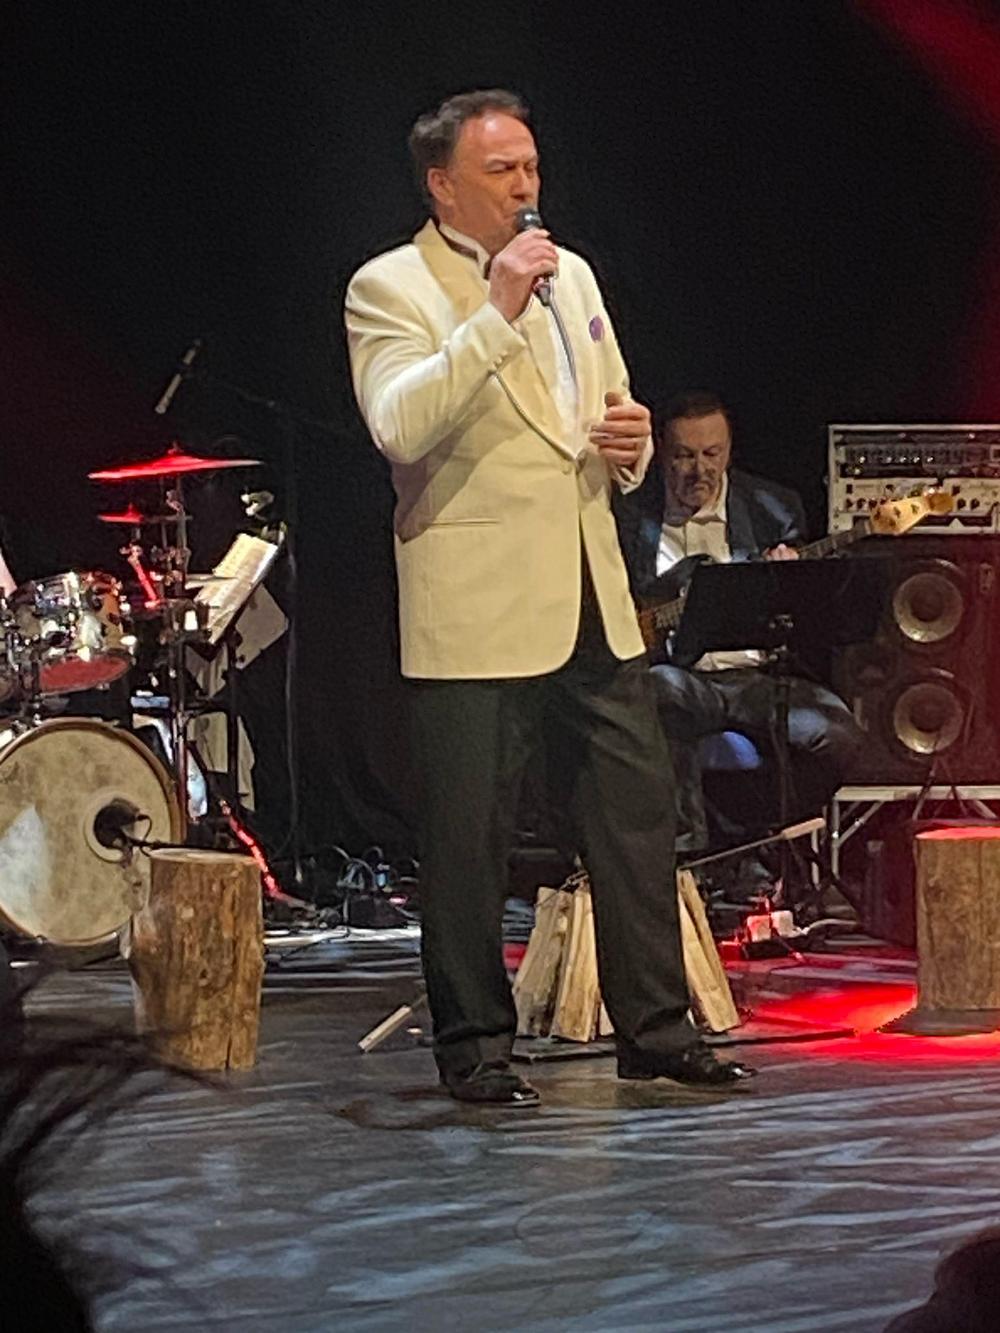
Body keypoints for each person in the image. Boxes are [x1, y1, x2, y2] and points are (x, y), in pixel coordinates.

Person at [344, 90, 753, 1104]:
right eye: (500, 171)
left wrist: (630, 443)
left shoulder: (573, 277)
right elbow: (399, 425)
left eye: (530, 166)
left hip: (589, 594)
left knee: (635, 820)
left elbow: (608, 412)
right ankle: (476, 1047)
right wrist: (493, 312)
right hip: (477, 605)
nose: (525, 187)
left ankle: (656, 1030)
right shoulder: (391, 286)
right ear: (442, 186)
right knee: (471, 840)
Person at [615, 390, 863, 885]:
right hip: (678, 675)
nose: (699, 470)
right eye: (684, 456)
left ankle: (754, 840)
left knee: (840, 736)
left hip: (755, 677)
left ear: (729, 450)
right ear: (661, 453)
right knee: (658, 693)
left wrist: (786, 581)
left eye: (712, 454)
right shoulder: (625, 515)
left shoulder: (773, 508)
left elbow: (806, 614)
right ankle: (686, 862)